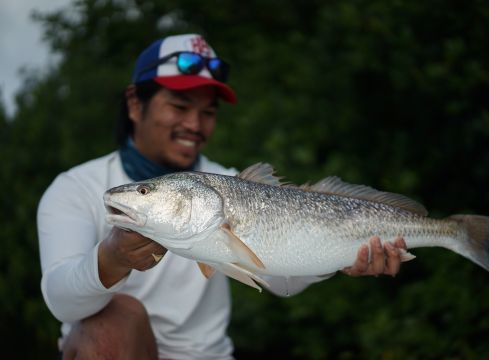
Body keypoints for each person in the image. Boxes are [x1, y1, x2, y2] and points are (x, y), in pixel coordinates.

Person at [37, 33, 408, 359]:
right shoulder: (77, 188)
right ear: (135, 104)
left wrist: (344, 255)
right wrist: (111, 258)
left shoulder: (232, 186)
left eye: (208, 112)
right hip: (119, 351)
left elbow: (283, 281)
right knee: (112, 322)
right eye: (180, 107)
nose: (195, 126)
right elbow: (62, 303)